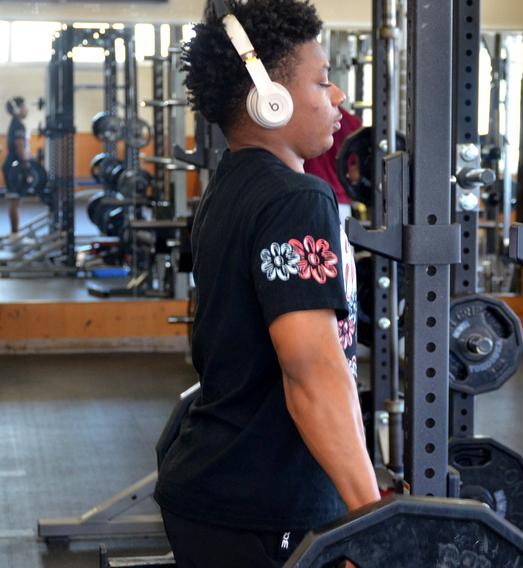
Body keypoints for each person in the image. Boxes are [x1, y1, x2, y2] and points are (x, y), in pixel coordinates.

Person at [153, 1, 379, 566]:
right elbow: (312, 373)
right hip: (264, 503)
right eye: (323, 81)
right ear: (269, 100)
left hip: (218, 489)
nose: (338, 99)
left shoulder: (229, 186)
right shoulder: (295, 200)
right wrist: (374, 520)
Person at [303, 105, 362, 220]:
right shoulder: (351, 123)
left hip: (308, 196)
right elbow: (356, 174)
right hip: (338, 201)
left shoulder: (304, 117)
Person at [2, 96, 29, 235]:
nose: (27, 110)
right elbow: (19, 147)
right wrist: (27, 164)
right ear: (18, 109)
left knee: (15, 201)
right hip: (14, 167)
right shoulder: (18, 125)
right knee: (14, 201)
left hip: (12, 166)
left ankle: (15, 233)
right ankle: (14, 234)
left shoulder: (16, 123)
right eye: (25, 107)